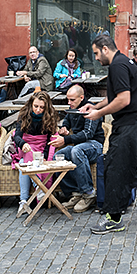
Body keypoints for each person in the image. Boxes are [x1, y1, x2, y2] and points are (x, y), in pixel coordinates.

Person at [79, 35, 137, 234]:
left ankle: (114, 218)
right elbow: (115, 95)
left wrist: (98, 114)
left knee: (116, 168)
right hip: (133, 121)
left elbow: (124, 99)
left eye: (97, 53)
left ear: (105, 49)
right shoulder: (123, 62)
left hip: (132, 122)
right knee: (119, 163)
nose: (96, 58)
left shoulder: (118, 66)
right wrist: (95, 105)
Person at [51, 84, 104, 213]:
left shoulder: (89, 108)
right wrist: (63, 128)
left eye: (72, 100)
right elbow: (67, 121)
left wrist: (66, 139)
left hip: (95, 145)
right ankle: (75, 192)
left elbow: (88, 134)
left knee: (76, 150)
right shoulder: (72, 108)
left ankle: (88, 193)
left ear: (81, 97)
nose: (69, 103)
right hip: (79, 145)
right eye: (68, 100)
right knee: (59, 155)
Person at [12, 91, 60, 215]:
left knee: (23, 163)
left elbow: (51, 140)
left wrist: (46, 158)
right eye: (36, 106)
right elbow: (16, 136)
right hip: (25, 148)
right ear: (31, 105)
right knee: (27, 155)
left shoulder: (50, 117)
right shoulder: (24, 115)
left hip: (40, 151)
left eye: (42, 107)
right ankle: (39, 188)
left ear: (46, 107)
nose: (38, 109)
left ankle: (23, 201)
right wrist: (23, 144)